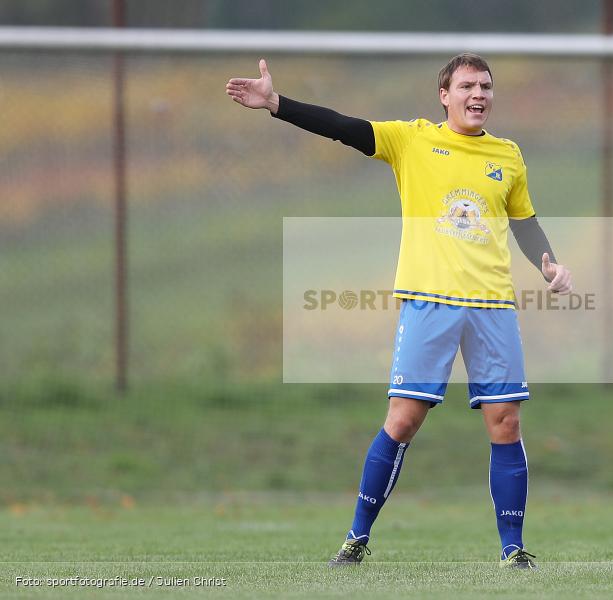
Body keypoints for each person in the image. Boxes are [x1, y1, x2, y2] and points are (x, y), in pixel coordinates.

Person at [225, 53, 572, 570]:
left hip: (492, 306)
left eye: (485, 86)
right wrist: (277, 103)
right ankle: (356, 539)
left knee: (506, 422)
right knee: (403, 420)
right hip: (430, 302)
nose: (478, 95)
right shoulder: (412, 140)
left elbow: (524, 223)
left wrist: (550, 264)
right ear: (444, 96)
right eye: (467, 87)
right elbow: (343, 127)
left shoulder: (508, 155)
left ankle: (512, 549)